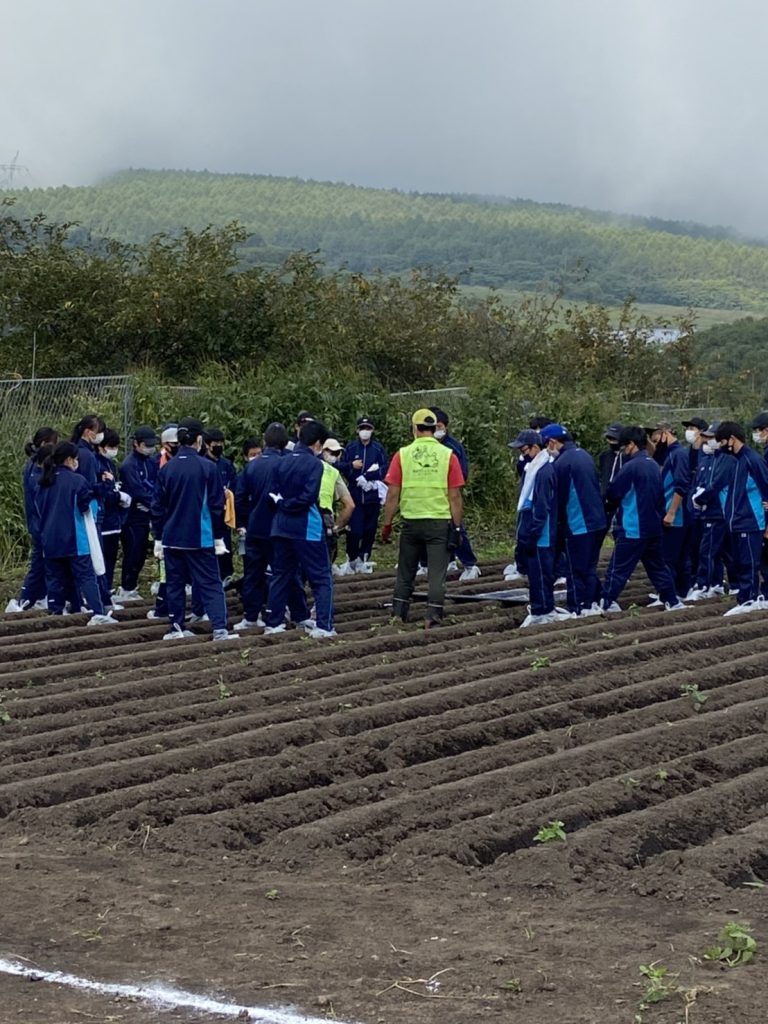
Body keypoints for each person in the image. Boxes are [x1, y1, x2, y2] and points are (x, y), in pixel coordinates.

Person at [151, 417, 238, 641]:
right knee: (210, 582)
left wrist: (159, 538)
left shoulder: (167, 469)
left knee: (175, 583)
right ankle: (219, 628)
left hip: (172, 537)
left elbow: (158, 507)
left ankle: (176, 627)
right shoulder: (208, 468)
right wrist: (219, 536)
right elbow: (217, 505)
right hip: (200, 536)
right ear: (199, 440)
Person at [381, 408, 464, 629]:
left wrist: (387, 524)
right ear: (435, 428)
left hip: (411, 521)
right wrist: (456, 527)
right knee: (437, 574)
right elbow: (455, 496)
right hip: (438, 522)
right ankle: (433, 616)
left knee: (406, 571)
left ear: (415, 429)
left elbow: (392, 494)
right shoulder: (448, 456)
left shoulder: (402, 455)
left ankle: (398, 613)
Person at [263, 420, 336, 639]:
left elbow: (271, 494)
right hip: (306, 527)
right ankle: (324, 625)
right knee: (321, 577)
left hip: (281, 526)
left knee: (281, 574)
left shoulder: (281, 461)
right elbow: (309, 497)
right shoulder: (315, 465)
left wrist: (282, 505)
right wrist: (290, 504)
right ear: (317, 444)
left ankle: (273, 623)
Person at [234, 422, 309, 632]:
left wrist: (247, 521)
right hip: (280, 528)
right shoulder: (285, 465)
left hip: (255, 529)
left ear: (265, 441)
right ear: (285, 443)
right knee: (287, 573)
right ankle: (300, 615)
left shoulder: (252, 466)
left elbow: (239, 499)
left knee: (253, 574)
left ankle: (250, 616)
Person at [600, 426, 683, 613]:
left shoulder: (631, 467)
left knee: (618, 568)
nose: (623, 451)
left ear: (631, 444)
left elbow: (613, 493)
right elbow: (660, 497)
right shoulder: (653, 464)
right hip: (653, 526)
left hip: (633, 527)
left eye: (624, 446)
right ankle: (672, 601)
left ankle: (606, 601)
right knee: (657, 568)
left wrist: (608, 504)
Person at [35, 441, 119, 626]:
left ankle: (56, 613)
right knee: (86, 576)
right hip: (74, 538)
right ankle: (98, 612)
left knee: (55, 578)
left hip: (49, 539)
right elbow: (84, 504)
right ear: (69, 459)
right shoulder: (76, 480)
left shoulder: (43, 482)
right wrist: (106, 486)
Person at [540, 423, 605, 616]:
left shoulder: (561, 464)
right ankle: (593, 601)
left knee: (575, 569)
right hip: (598, 520)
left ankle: (578, 607)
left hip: (579, 523)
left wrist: (556, 528)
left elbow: (559, 500)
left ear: (552, 442)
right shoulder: (584, 455)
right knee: (590, 567)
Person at [508, 429, 566, 627]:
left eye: (524, 450)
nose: (522, 454)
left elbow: (542, 508)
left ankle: (543, 610)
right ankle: (541, 609)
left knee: (541, 574)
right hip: (535, 532)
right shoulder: (534, 468)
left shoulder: (543, 472)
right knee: (536, 574)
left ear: (535, 447)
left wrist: (532, 536)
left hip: (542, 534)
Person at [713, 421, 768, 616]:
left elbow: (766, 487)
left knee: (749, 562)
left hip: (751, 520)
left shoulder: (753, 460)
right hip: (736, 521)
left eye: (722, 442)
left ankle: (749, 598)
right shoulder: (734, 461)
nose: (720, 446)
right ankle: (749, 597)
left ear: (732, 439)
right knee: (741, 561)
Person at [6, 427, 59, 613]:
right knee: (39, 565)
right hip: (40, 526)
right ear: (44, 444)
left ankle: (39, 597)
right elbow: (40, 503)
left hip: (39, 524)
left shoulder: (34, 466)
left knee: (43, 564)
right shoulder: (37, 472)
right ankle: (23, 601)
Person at [430, 408, 481, 581]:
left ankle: (469, 564)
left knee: (455, 527)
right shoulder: (427, 446)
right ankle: (448, 560)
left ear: (445, 426)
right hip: (432, 494)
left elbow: (462, 474)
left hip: (449, 493)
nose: (436, 430)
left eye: (439, 426)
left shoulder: (452, 447)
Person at [339, 415, 388, 573]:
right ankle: (352, 557)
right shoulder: (351, 448)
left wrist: (370, 479)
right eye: (362, 429)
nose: (365, 432)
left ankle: (364, 557)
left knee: (370, 529)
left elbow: (385, 468)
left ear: (372, 431)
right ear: (357, 430)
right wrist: (354, 471)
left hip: (372, 496)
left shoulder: (378, 449)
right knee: (355, 530)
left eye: (368, 429)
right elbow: (343, 467)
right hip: (355, 496)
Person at [648, 421, 691, 602]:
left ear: (665, 433)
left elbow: (681, 485)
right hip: (670, 512)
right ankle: (679, 592)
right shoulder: (668, 454)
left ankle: (668, 594)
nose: (656, 444)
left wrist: (672, 512)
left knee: (668, 558)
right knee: (676, 557)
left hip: (676, 516)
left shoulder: (678, 454)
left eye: (657, 439)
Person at [687, 422, 731, 599]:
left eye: (711, 438)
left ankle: (703, 585)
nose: (707, 441)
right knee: (713, 550)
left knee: (708, 550)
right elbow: (699, 482)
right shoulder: (706, 460)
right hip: (704, 511)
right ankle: (716, 583)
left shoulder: (726, 460)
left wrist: (701, 498)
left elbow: (716, 485)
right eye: (706, 438)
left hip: (716, 512)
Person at [116, 425, 159, 601]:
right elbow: (137, 491)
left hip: (146, 514)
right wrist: (155, 504)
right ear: (136, 443)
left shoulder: (150, 462)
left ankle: (131, 587)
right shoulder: (129, 465)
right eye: (146, 444)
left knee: (141, 553)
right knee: (133, 552)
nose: (150, 448)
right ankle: (126, 587)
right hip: (132, 516)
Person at [96, 429, 131, 593]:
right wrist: (118, 497)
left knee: (110, 560)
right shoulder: (97, 464)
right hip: (103, 521)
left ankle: (107, 591)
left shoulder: (111, 464)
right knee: (102, 560)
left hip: (114, 520)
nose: (114, 450)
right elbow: (103, 492)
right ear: (101, 446)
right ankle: (101, 593)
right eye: (111, 446)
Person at [204, 427, 238, 583]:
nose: (218, 446)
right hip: (208, 513)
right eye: (215, 443)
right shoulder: (203, 463)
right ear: (207, 444)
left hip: (225, 513)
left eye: (220, 443)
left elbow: (235, 485)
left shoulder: (226, 465)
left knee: (225, 547)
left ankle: (226, 576)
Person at [319, 437, 355, 568]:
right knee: (324, 565)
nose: (334, 456)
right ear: (323, 451)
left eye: (337, 453)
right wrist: (336, 528)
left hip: (305, 517)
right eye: (331, 452)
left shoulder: (307, 466)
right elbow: (350, 505)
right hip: (325, 517)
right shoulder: (333, 473)